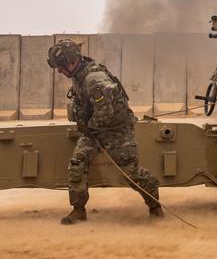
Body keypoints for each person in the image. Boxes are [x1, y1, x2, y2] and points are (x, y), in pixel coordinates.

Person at [46, 39, 163, 224]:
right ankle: (78, 210)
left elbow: (105, 112)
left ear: (71, 62)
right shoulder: (79, 76)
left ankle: (155, 206)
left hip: (116, 129)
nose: (59, 71)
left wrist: (88, 125)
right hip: (95, 128)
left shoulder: (95, 80)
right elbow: (80, 101)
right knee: (77, 163)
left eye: (60, 67)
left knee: (130, 173)